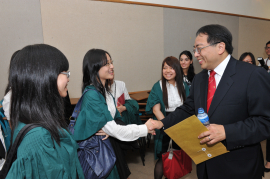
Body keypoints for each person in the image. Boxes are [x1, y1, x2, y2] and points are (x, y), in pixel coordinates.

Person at [149, 24, 270, 179]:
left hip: (239, 166)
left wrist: (227, 132)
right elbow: (188, 108)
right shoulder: (200, 79)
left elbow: (266, 121)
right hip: (206, 163)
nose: (196, 54)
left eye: (199, 48)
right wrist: (162, 123)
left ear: (220, 47)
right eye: (194, 50)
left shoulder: (252, 74)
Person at [72, 48, 154, 179]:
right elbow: (114, 129)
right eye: (107, 64)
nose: (112, 66)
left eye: (111, 62)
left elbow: (115, 122)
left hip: (110, 144)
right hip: (99, 151)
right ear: (94, 68)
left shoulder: (106, 92)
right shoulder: (92, 95)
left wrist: (109, 128)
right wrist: (145, 128)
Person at [5, 44, 84, 178]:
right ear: (43, 77)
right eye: (64, 72)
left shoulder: (32, 119)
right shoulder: (39, 138)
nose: (68, 78)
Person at [145, 56, 186, 179]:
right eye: (165, 68)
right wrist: (167, 126)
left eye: (171, 68)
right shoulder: (158, 86)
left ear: (177, 69)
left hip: (181, 123)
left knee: (177, 155)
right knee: (164, 156)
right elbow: (156, 110)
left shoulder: (184, 85)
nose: (167, 71)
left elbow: (188, 107)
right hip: (164, 123)